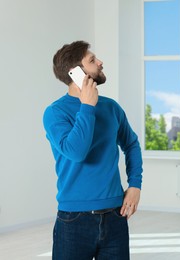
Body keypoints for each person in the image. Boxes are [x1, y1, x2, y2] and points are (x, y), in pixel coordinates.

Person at [43, 40, 143, 260]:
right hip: (74, 220)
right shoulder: (54, 113)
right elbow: (76, 152)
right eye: (92, 60)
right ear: (75, 73)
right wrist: (87, 106)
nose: (100, 62)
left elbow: (131, 144)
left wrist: (135, 185)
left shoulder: (112, 107)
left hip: (116, 216)